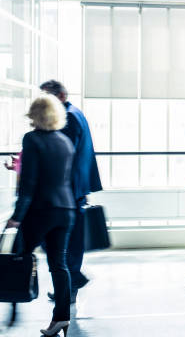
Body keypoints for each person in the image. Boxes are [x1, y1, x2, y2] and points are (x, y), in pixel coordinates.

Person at [6, 94, 76, 337]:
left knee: (18, 257)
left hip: (40, 211)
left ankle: (13, 307)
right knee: (59, 265)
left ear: (35, 115)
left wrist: (17, 216)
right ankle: (62, 319)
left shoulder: (32, 139)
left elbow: (29, 183)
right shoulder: (65, 141)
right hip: (65, 210)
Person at [40, 80, 102, 302]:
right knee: (67, 238)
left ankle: (72, 280)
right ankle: (70, 285)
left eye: (47, 98)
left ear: (61, 96)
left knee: (62, 238)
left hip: (68, 188)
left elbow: (61, 155)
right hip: (74, 187)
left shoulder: (68, 117)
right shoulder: (76, 113)